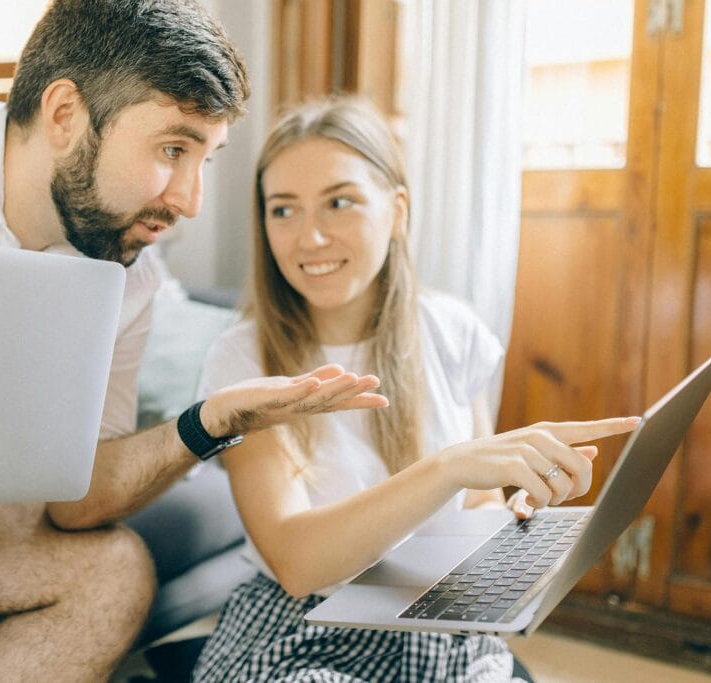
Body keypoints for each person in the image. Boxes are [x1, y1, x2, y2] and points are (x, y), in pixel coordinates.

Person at [0, 2, 388, 680]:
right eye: (173, 149)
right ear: (66, 114)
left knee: (115, 573)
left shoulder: (129, 276)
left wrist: (209, 420)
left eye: (205, 159)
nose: (190, 200)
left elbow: (77, 496)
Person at [191, 97, 640, 682]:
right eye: (283, 211)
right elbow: (297, 563)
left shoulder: (452, 332)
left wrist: (518, 522)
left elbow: (475, 502)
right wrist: (447, 470)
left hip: (435, 616)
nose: (311, 237)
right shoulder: (242, 361)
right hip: (304, 628)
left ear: (397, 211)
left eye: (340, 202)